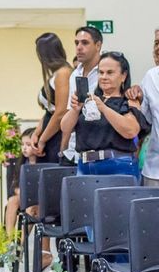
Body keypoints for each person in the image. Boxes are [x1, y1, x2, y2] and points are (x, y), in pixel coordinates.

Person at [60, 52, 146, 181]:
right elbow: (65, 128)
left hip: (117, 166)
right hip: (85, 166)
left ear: (123, 76)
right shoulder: (89, 101)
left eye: (110, 72)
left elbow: (131, 131)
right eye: (101, 72)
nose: (104, 77)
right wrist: (75, 109)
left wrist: (104, 108)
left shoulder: (129, 100)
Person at [59, 26, 103, 165]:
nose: (79, 47)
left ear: (98, 45)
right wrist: (63, 148)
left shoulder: (106, 71)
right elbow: (70, 111)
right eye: (76, 43)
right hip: (75, 150)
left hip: (101, 148)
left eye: (84, 43)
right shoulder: (75, 74)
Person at [31, 33, 72, 163]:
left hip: (56, 135)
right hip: (50, 132)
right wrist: (37, 132)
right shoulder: (57, 73)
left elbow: (60, 112)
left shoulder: (63, 73)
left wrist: (43, 139)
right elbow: (50, 110)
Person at [127, 27, 159, 186]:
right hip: (155, 169)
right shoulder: (151, 76)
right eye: (156, 43)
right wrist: (137, 100)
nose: (157, 48)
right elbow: (144, 123)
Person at [4, 127, 37, 238]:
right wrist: (17, 190)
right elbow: (15, 185)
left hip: (37, 200)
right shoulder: (21, 162)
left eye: (28, 144)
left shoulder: (43, 163)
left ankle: (21, 244)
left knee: (30, 208)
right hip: (24, 197)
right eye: (22, 145)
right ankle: (9, 240)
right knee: (12, 201)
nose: (24, 148)